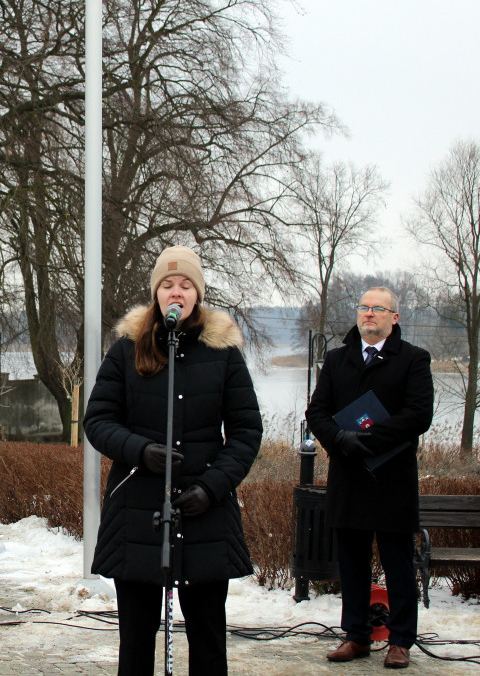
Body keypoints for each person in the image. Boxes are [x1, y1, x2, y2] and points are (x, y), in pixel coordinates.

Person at [84, 245, 262, 675]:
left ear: (198, 293)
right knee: (137, 640)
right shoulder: (126, 350)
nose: (176, 292)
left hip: (204, 514)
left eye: (186, 284)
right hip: (137, 511)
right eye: (168, 284)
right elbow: (99, 420)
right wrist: (140, 451)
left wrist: (212, 487)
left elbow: (246, 432)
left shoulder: (223, 353)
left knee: (206, 637)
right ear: (156, 293)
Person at [306, 287, 433, 669]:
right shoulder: (337, 359)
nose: (369, 314)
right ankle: (357, 636)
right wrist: (341, 440)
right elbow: (317, 413)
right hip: (349, 475)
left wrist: (370, 440)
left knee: (397, 561)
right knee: (352, 562)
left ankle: (400, 641)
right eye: (364, 307)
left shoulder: (413, 359)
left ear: (394, 317)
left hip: (392, 479)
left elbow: (418, 415)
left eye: (379, 309)